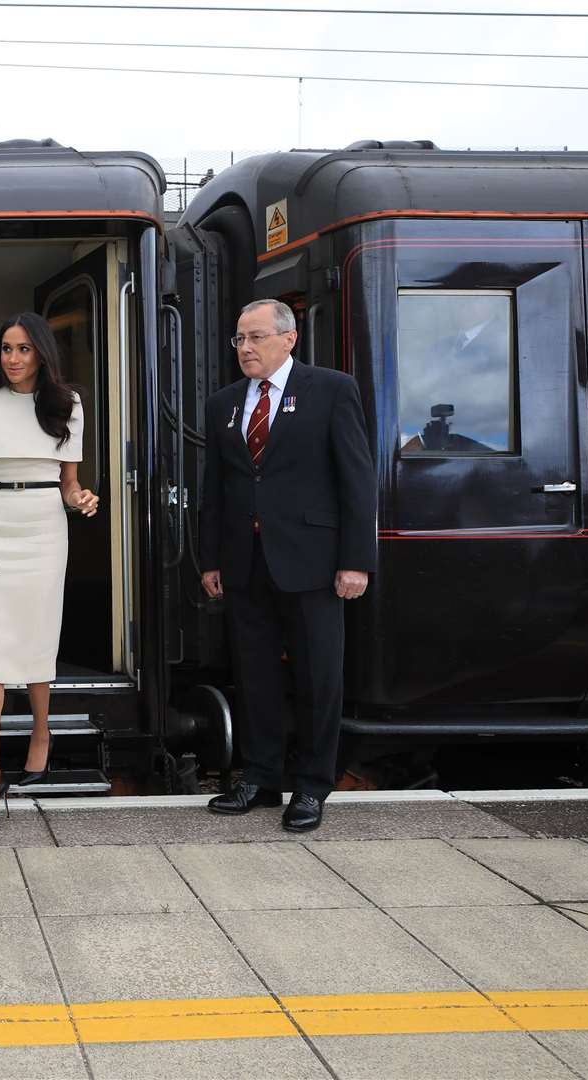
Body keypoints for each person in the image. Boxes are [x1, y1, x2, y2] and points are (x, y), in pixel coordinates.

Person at [199, 298, 376, 832]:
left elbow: (357, 480)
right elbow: (216, 489)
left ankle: (313, 785)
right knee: (254, 674)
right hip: (244, 562)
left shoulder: (331, 390)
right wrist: (210, 558)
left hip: (315, 563)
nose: (245, 349)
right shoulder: (224, 404)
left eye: (255, 338)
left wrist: (355, 562)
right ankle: (260, 776)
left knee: (318, 674)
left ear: (289, 338)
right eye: (239, 340)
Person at [0, 313, 98, 830]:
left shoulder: (67, 405)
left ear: (42, 354)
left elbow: (67, 485)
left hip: (44, 529)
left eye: (23, 349)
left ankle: (41, 734)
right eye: (6, 348)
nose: (13, 359)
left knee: (38, 638)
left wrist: (82, 500)